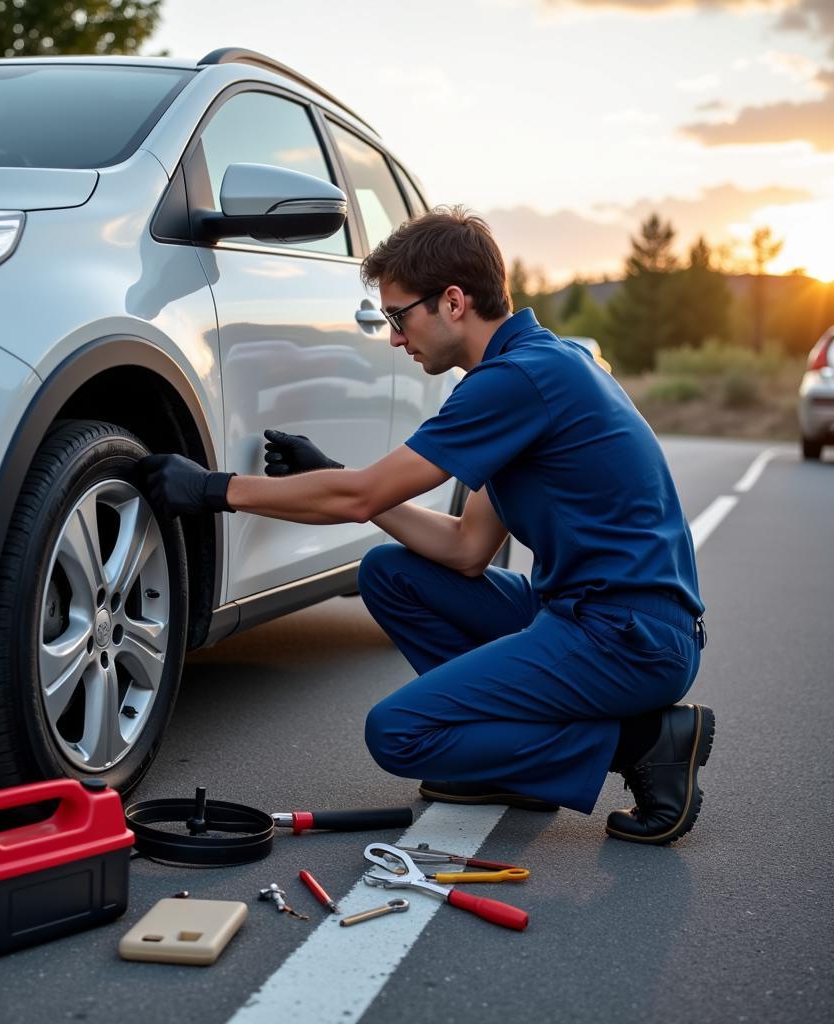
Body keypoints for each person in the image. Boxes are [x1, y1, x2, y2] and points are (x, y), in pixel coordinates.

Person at [139, 206, 714, 845]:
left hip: (626, 636)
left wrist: (213, 490)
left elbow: (358, 499)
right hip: (588, 614)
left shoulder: (517, 379)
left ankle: (646, 741)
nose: (392, 337)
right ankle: (511, 763)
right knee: (389, 573)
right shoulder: (535, 367)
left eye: (397, 316)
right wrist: (335, 473)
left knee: (400, 733)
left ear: (453, 301)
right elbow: (467, 549)